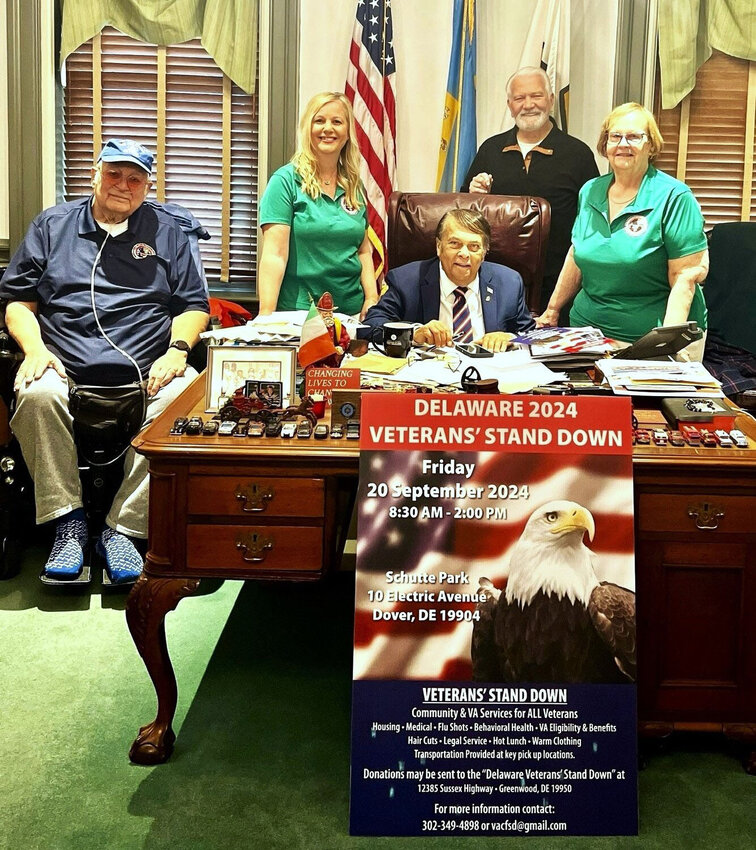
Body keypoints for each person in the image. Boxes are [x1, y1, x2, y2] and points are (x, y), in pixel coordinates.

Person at [0, 138, 209, 583]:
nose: (123, 185)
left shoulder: (168, 230)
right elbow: (18, 301)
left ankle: (123, 529)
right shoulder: (52, 226)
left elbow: (193, 305)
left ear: (147, 186)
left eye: (136, 179)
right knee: (37, 396)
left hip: (148, 371)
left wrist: (176, 351)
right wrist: (35, 350)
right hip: (64, 367)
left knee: (187, 403)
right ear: (94, 174)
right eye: (114, 174)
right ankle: (67, 521)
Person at [536, 103, 709, 359]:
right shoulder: (590, 191)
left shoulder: (674, 197)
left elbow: (684, 278)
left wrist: (667, 344)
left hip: (651, 338)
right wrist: (552, 309)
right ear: (605, 145)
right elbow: (577, 254)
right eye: (615, 136)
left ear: (651, 145)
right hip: (588, 335)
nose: (623, 144)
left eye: (634, 136)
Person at [462, 67, 598, 315]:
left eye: (536, 96)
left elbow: (593, 222)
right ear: (509, 105)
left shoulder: (578, 154)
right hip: (496, 282)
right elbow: (463, 215)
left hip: (559, 286)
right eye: (519, 98)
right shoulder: (490, 150)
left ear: (550, 99)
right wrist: (474, 193)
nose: (528, 105)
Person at [257, 91, 378, 320]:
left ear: (347, 132)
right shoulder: (285, 182)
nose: (328, 128)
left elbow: (362, 250)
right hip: (299, 315)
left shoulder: (354, 184)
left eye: (337, 122)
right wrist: (266, 316)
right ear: (307, 128)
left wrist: (371, 298)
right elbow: (275, 255)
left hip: (352, 315)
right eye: (319, 120)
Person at [362, 208, 534, 350]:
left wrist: (511, 338)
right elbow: (370, 326)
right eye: (455, 244)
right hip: (429, 379)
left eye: (474, 247)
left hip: (489, 378)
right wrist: (415, 333)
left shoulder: (509, 283)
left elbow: (532, 336)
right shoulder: (406, 281)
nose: (464, 254)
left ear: (484, 253)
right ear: (439, 247)